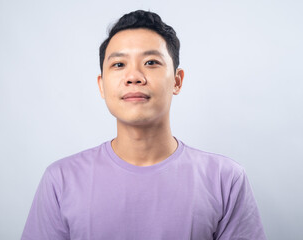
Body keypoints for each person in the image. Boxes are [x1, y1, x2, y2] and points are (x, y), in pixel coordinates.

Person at [21, 10, 266, 240]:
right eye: (119, 64)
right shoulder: (61, 180)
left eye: (151, 62)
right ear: (101, 85)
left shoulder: (226, 180)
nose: (134, 76)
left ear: (177, 81)